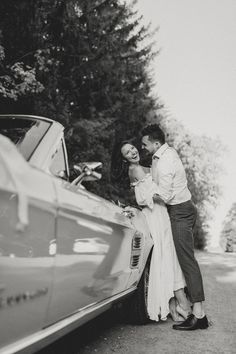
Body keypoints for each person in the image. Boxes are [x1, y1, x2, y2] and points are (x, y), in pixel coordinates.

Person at [111, 140, 191, 322]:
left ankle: (176, 304)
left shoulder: (146, 166)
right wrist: (166, 193)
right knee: (166, 257)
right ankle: (177, 304)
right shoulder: (135, 170)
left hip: (161, 213)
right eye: (127, 152)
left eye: (132, 148)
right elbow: (146, 197)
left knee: (168, 256)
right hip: (154, 215)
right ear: (124, 159)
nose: (132, 152)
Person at [141, 124, 209, 330]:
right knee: (182, 261)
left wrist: (144, 194)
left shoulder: (166, 160)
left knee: (186, 261)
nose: (142, 147)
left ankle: (199, 315)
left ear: (155, 143)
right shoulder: (162, 155)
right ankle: (191, 309)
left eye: (144, 144)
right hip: (180, 209)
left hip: (180, 211)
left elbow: (166, 194)